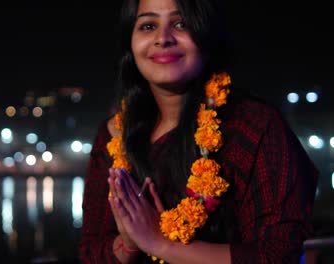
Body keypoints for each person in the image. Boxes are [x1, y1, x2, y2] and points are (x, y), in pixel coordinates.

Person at [79, 0, 319, 263]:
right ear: (131, 45)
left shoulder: (254, 127)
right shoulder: (115, 135)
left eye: (180, 24)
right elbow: (90, 252)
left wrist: (162, 245)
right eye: (148, 26)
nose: (163, 38)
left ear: (206, 35)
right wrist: (129, 243)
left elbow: (277, 255)